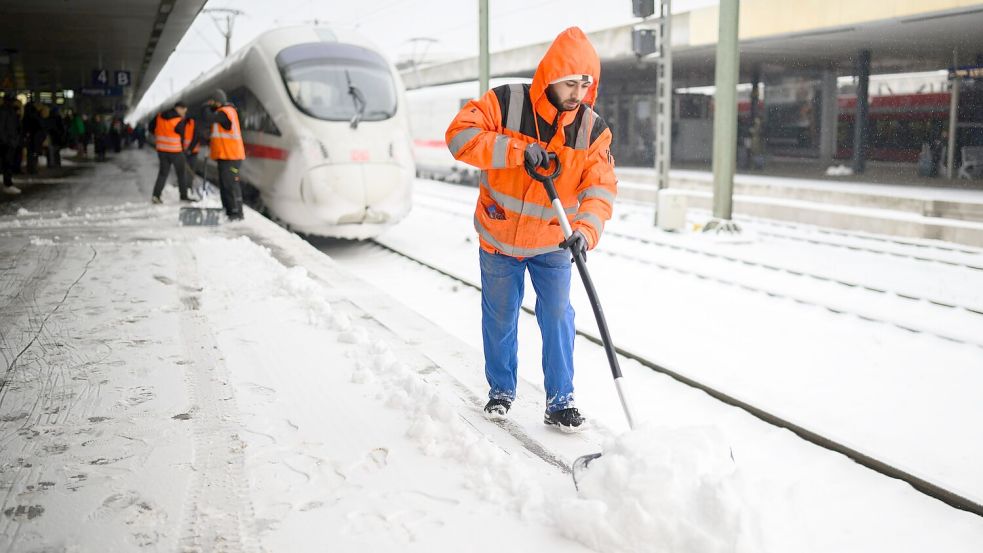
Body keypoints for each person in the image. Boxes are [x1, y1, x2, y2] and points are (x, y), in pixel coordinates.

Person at [444, 27, 617, 432]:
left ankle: (560, 400)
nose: (577, 92)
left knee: (557, 316)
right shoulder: (505, 103)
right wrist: (517, 151)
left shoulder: (592, 130)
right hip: (500, 237)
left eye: (584, 84)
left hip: (555, 242)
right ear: (550, 76)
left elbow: (600, 188)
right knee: (500, 317)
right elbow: (460, 136)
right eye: (569, 82)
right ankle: (501, 391)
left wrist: (585, 233)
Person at [203, 89, 245, 220]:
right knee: (225, 185)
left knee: (230, 185)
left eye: (213, 102)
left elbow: (208, 118)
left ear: (217, 101)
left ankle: (236, 213)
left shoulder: (225, 113)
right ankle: (228, 210)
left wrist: (206, 107)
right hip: (224, 156)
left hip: (231, 157)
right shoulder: (222, 112)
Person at [149, 101, 192, 203]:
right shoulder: (178, 120)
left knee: (163, 174)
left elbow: (151, 128)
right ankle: (183, 196)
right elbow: (182, 136)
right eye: (183, 110)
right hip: (175, 151)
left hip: (162, 150)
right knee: (181, 173)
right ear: (178, 108)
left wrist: (159, 135)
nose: (184, 113)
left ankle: (156, 196)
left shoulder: (159, 117)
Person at [0, 95, 22, 194]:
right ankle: (7, 184)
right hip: (8, 142)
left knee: (8, 163)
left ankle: (8, 183)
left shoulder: (10, 111)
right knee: (7, 163)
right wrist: (8, 141)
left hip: (9, 141)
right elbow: (3, 127)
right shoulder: (6, 112)